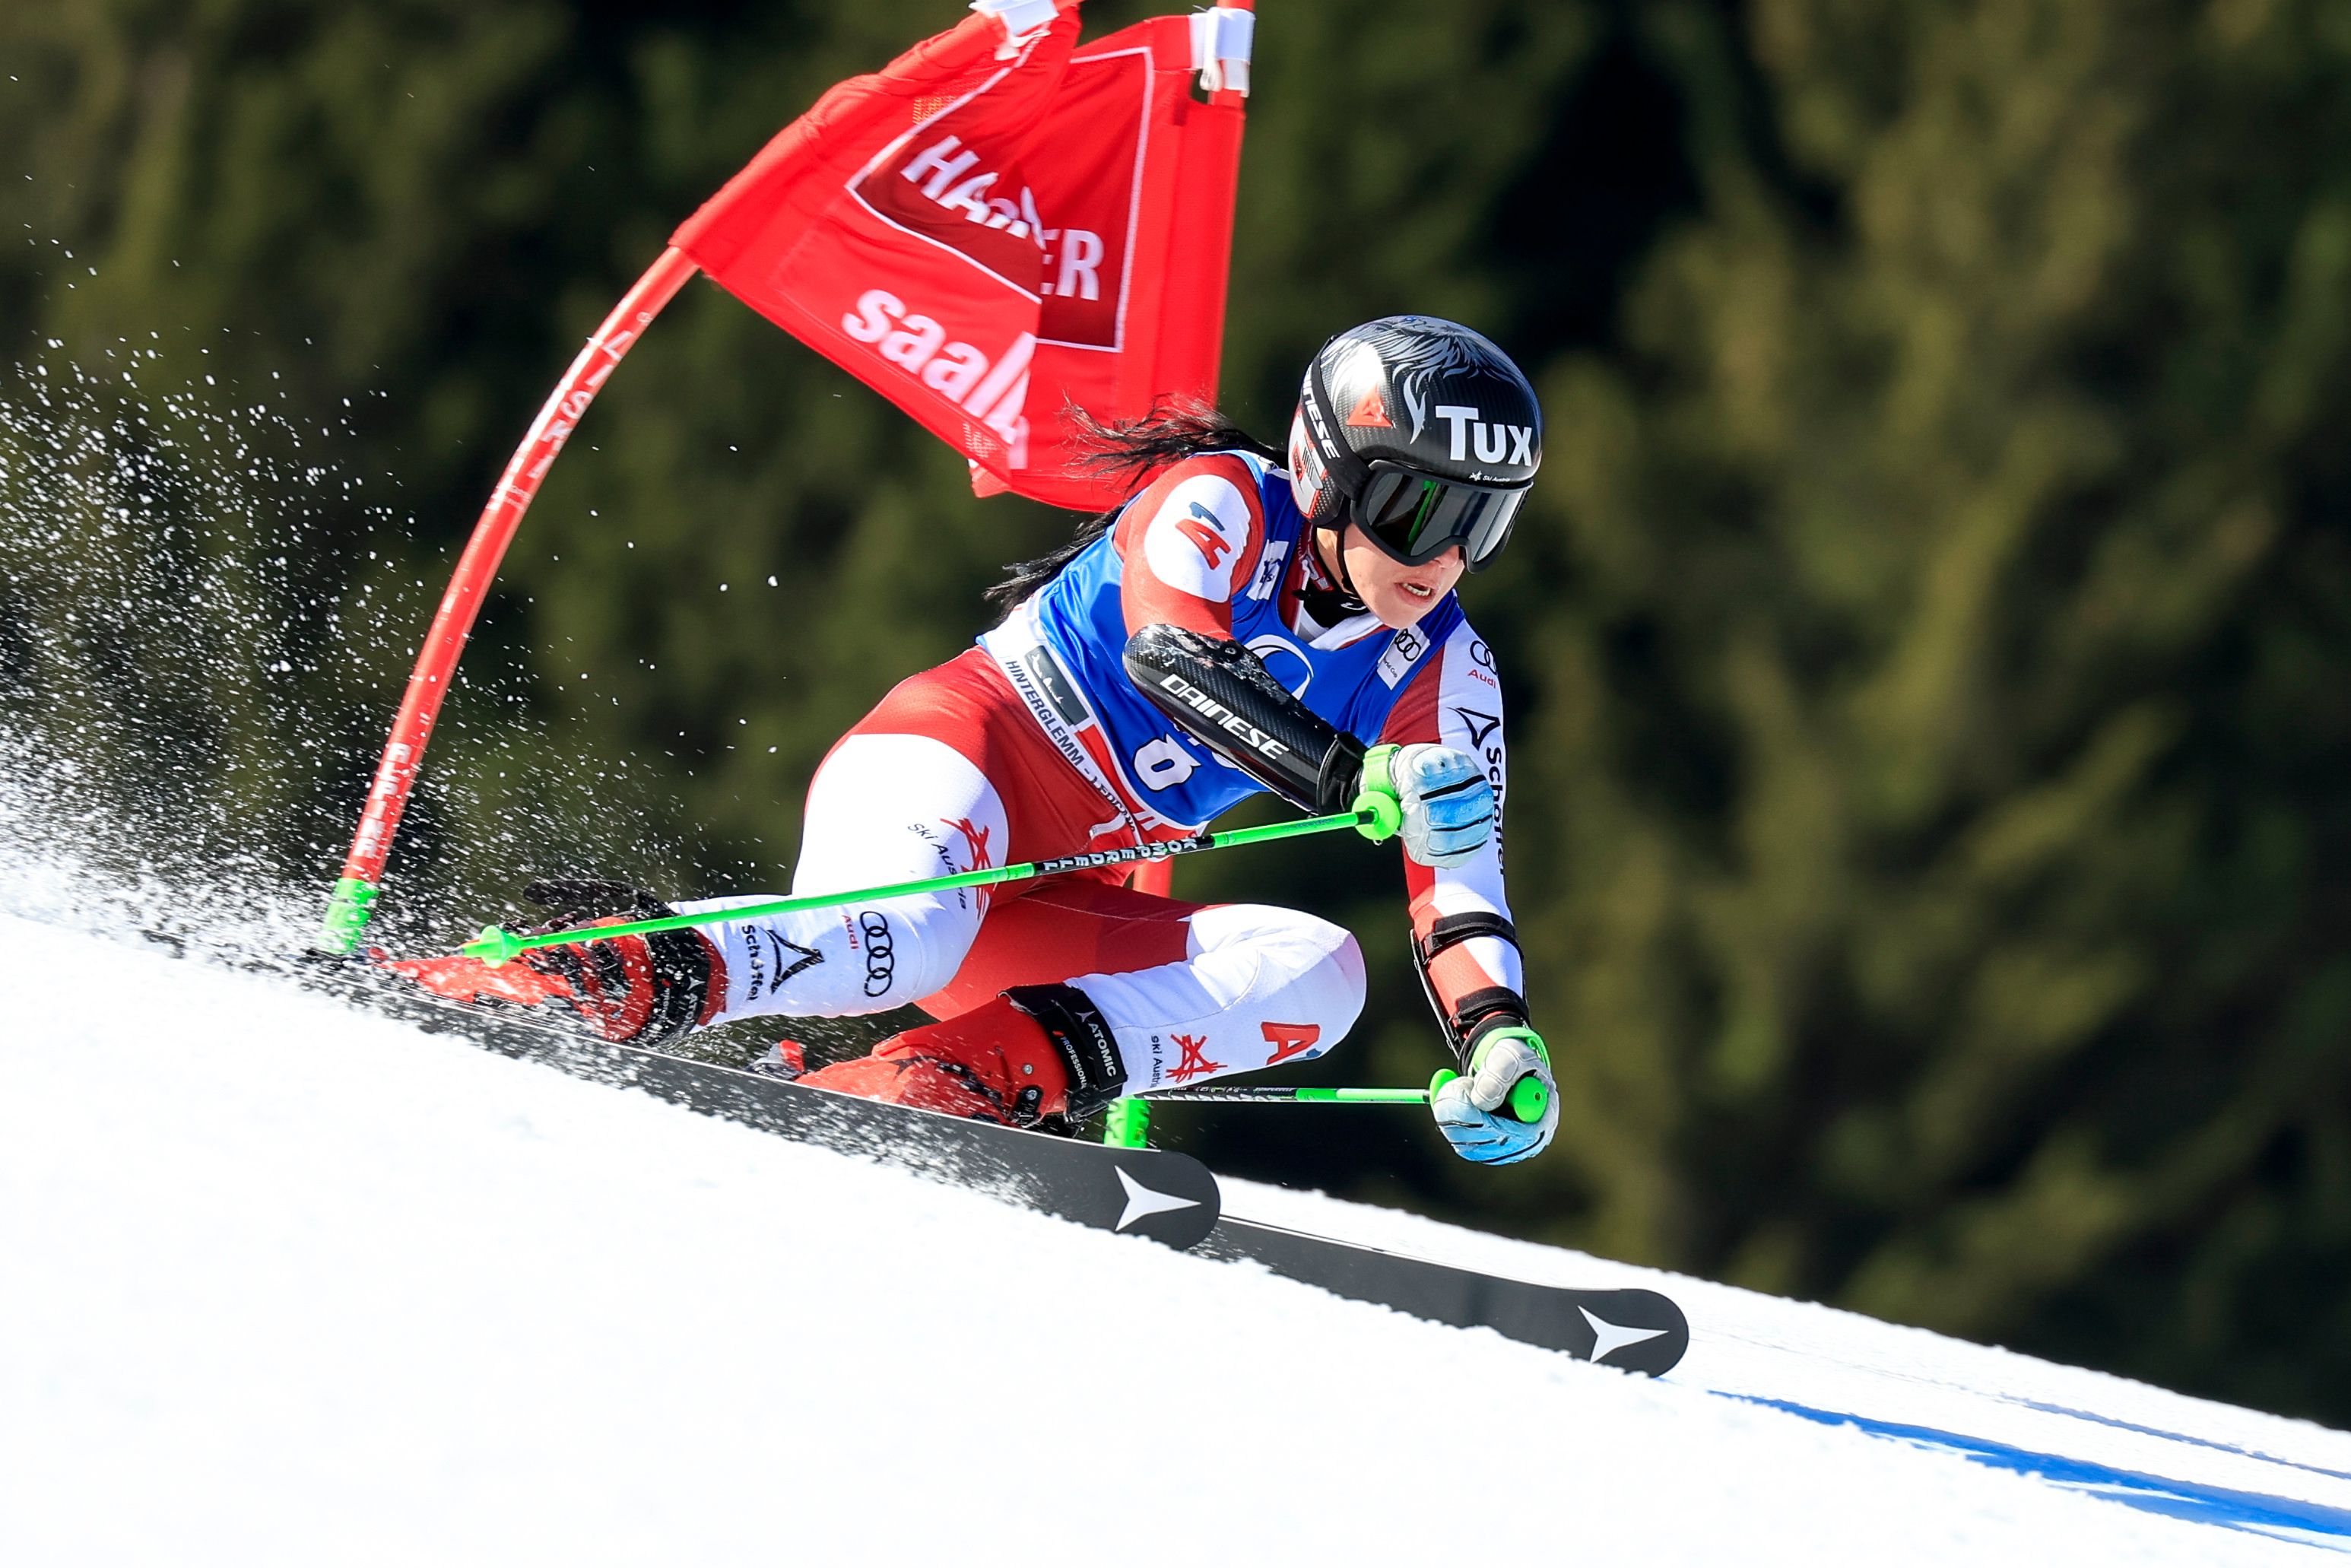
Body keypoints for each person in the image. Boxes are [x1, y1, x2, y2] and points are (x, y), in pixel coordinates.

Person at [387, 316, 1557, 1165]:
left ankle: (946, 1079)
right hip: (958, 765)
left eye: (1482, 523)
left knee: (1323, 971)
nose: (1444, 557)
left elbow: (1459, 889)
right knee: (896, 932)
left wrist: (1498, 1039)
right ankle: (567, 970)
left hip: (1050, 896)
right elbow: (1174, 665)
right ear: (1327, 474)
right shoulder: (1222, 502)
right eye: (1421, 508)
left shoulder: (1448, 667)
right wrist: (1359, 774)